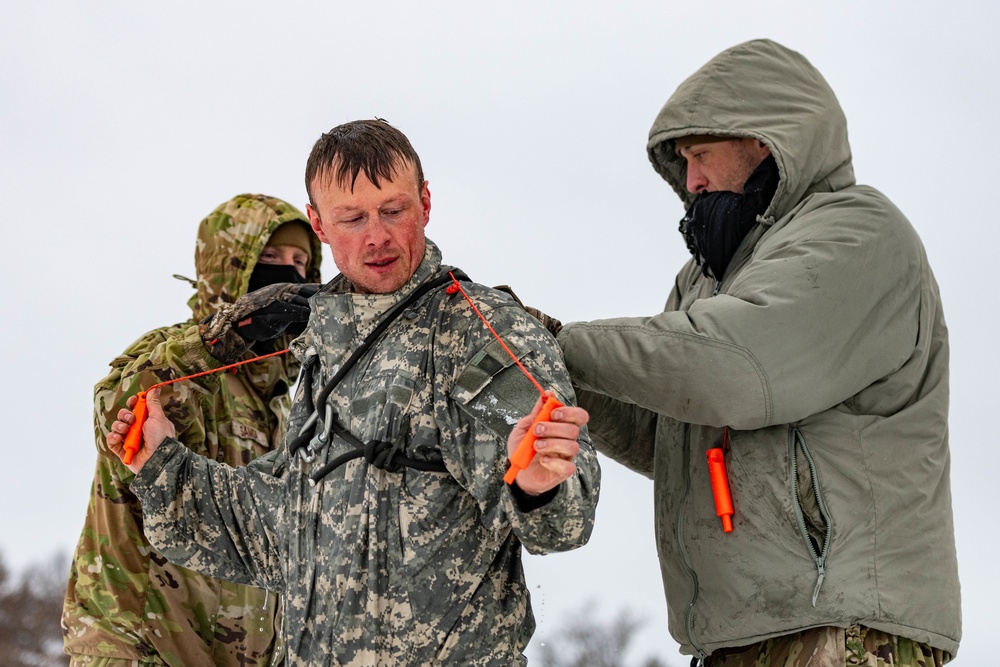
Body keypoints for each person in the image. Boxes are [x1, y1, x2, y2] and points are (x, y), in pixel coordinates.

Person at [104, 119, 600, 666]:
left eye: (393, 210)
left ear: (426, 202)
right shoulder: (323, 347)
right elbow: (279, 534)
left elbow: (563, 522)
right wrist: (162, 465)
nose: (377, 237)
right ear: (318, 223)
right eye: (352, 217)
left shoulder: (473, 333)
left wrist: (538, 485)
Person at [549, 39, 961, 665]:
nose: (690, 181)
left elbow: (737, 371)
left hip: (842, 632)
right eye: (684, 163)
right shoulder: (708, 282)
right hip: (736, 638)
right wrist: (539, 358)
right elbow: (668, 428)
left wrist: (564, 345)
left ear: (764, 141)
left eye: (702, 155)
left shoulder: (858, 233)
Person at [63, 194, 323, 666]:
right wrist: (226, 335)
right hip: (140, 648)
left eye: (300, 262)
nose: (288, 274)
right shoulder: (175, 355)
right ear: (230, 266)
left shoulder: (289, 404)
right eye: (269, 259)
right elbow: (124, 415)